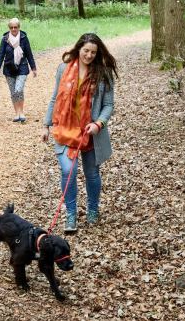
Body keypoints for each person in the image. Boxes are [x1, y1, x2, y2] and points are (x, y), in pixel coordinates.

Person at [41, 33, 117, 233]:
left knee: (92, 173)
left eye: (93, 52)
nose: (89, 55)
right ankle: (71, 214)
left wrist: (99, 123)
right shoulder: (63, 69)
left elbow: (108, 105)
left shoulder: (104, 73)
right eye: (86, 51)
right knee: (68, 170)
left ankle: (93, 209)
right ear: (79, 49)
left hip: (90, 133)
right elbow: (54, 98)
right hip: (65, 129)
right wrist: (45, 125)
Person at [0, 18, 37, 122]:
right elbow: (0, 55)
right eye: (11, 27)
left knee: (18, 90)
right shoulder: (5, 39)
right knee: (13, 92)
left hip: (22, 67)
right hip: (9, 68)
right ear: (9, 28)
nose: (13, 29)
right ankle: (17, 113)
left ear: (19, 27)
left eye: (15, 27)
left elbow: (29, 54)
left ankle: (21, 112)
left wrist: (33, 68)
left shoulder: (24, 38)